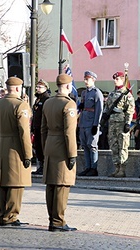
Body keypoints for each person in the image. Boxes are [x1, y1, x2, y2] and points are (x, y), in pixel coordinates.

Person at [0, 77, 32, 226]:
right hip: (16, 146)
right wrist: (28, 154)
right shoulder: (21, 106)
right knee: (16, 183)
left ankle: (3, 214)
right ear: (17, 88)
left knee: (4, 183)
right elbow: (24, 132)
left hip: (2, 144)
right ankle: (11, 216)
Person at [41, 73, 78, 232]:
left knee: (51, 185)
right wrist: (72, 154)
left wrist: (44, 148)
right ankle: (59, 221)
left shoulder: (48, 103)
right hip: (62, 146)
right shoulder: (68, 104)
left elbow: (42, 129)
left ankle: (52, 219)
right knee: (62, 185)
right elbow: (69, 132)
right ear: (68, 86)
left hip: (50, 143)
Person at [103, 71, 135, 178]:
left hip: (121, 122)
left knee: (123, 145)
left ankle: (122, 169)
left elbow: (130, 110)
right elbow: (107, 108)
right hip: (112, 122)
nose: (115, 81)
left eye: (117, 79)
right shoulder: (112, 94)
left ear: (122, 80)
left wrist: (127, 123)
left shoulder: (127, 94)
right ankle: (116, 167)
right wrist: (104, 117)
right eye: (114, 79)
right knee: (114, 145)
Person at [77, 71, 104, 177]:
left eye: (87, 79)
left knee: (92, 146)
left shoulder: (97, 93)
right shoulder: (84, 93)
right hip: (83, 122)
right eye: (84, 79)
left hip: (91, 123)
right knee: (85, 145)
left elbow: (99, 110)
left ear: (93, 79)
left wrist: (96, 125)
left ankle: (94, 168)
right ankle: (88, 167)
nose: (85, 81)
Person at [31, 79, 50, 175]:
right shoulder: (38, 99)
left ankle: (44, 166)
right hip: (36, 126)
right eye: (37, 87)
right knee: (37, 147)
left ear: (45, 88)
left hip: (43, 127)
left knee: (42, 147)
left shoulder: (46, 99)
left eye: (40, 87)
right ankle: (40, 166)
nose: (38, 89)